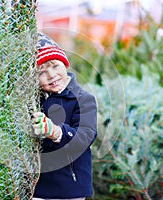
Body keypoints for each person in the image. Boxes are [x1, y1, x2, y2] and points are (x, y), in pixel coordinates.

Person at [31, 32, 98, 200]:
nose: (51, 75)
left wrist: (55, 131)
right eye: (42, 72)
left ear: (65, 65)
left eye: (55, 66)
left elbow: (85, 136)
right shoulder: (35, 100)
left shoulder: (83, 99)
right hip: (40, 188)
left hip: (69, 189)